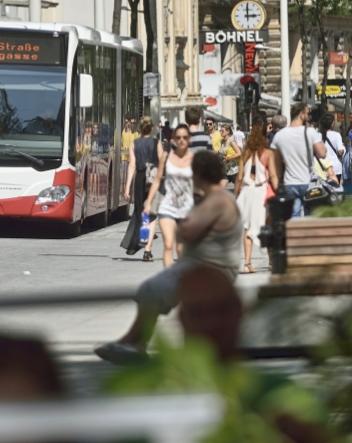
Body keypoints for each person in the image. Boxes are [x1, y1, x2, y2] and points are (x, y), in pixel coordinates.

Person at [97, 151, 243, 363]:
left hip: (209, 269)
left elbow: (188, 231)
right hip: (202, 266)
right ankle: (134, 341)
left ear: (199, 174)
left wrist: (184, 215)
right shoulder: (214, 198)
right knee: (152, 289)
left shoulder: (217, 200)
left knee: (152, 289)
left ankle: (134, 342)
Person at [144, 124, 194, 267]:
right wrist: (148, 204)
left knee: (181, 248)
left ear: (189, 139)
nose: (182, 140)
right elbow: (157, 180)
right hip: (167, 207)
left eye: (185, 137)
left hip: (187, 208)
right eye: (178, 137)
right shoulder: (166, 157)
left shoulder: (194, 159)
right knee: (168, 245)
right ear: (173, 139)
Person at [234, 118, 277, 274]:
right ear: (265, 138)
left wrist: (235, 193)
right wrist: (277, 190)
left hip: (246, 191)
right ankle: (272, 261)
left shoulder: (245, 153)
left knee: (247, 228)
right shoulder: (267, 153)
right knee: (268, 225)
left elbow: (239, 177)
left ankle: (247, 263)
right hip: (261, 191)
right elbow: (272, 175)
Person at [270, 103, 327, 218]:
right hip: (309, 182)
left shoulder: (280, 135)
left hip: (289, 182)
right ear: (301, 115)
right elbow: (322, 153)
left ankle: (295, 236)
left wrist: (280, 176)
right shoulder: (310, 132)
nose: (309, 116)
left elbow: (276, 162)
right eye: (308, 113)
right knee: (311, 218)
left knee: (293, 218)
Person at [120, 116, 161, 261]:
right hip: (153, 179)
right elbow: (162, 161)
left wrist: (127, 187)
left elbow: (132, 165)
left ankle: (142, 239)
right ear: (151, 128)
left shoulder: (134, 143)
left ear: (140, 129)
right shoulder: (157, 143)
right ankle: (147, 250)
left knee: (141, 211)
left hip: (139, 179)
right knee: (152, 213)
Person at [317, 112, 345, 195]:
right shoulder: (336, 135)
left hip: (321, 167)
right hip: (335, 167)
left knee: (323, 192)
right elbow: (340, 150)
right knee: (335, 192)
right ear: (332, 123)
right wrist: (343, 149)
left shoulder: (317, 135)